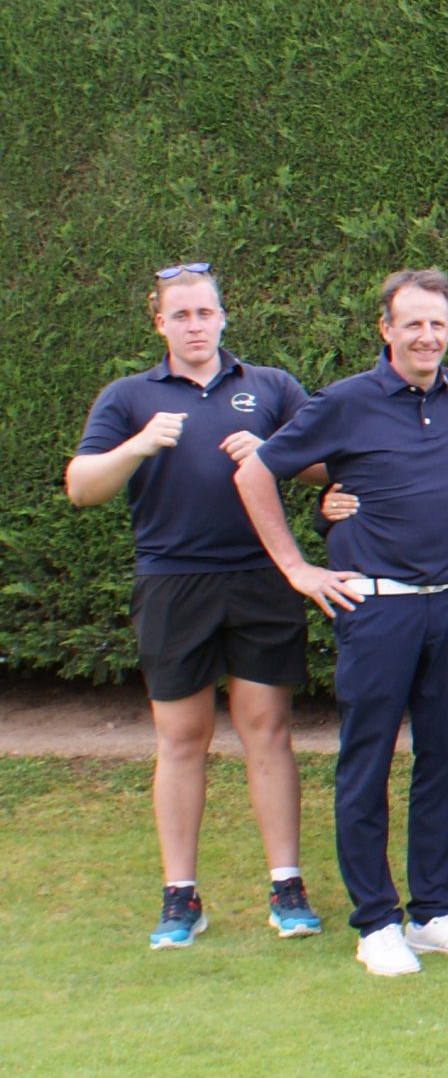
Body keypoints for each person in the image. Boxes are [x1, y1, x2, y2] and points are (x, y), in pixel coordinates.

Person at [234, 268, 448, 976]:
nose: (426, 336)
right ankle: (376, 920)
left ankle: (435, 910)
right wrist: (297, 567)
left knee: (447, 758)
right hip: (378, 606)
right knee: (368, 762)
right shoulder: (345, 401)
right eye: (412, 323)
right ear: (386, 329)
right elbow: (256, 472)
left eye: (438, 323)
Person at [69, 262, 321, 949]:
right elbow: (82, 487)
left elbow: (330, 463)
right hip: (173, 583)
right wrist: (138, 444)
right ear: (161, 323)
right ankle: (180, 897)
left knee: (267, 730)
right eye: (180, 315)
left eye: (205, 312)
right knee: (181, 738)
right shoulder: (128, 396)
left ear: (222, 317)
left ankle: (287, 886)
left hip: (262, 578)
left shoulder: (269, 386)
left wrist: (275, 452)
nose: (195, 325)